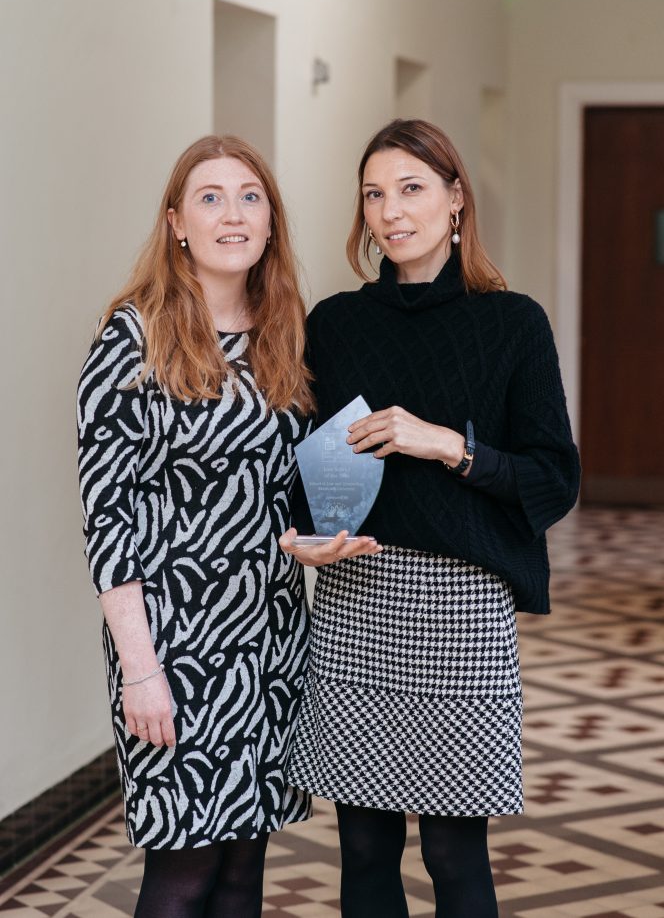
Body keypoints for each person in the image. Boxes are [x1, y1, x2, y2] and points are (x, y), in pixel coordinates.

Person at [281, 119, 581, 918]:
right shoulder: (336, 324)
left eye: (411, 188)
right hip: (356, 600)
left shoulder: (514, 324)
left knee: (455, 851)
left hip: (463, 613)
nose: (390, 211)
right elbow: (303, 477)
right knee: (364, 850)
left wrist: (447, 444)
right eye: (374, 194)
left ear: (456, 200)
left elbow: (555, 478)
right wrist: (306, 540)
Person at [76, 134, 378, 918]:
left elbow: (288, 490)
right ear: (177, 222)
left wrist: (312, 543)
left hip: (268, 636)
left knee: (245, 871)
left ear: (271, 222)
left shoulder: (283, 330)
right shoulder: (132, 339)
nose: (233, 215)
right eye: (210, 198)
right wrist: (139, 667)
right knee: (182, 874)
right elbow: (107, 520)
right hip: (172, 643)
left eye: (250, 197)